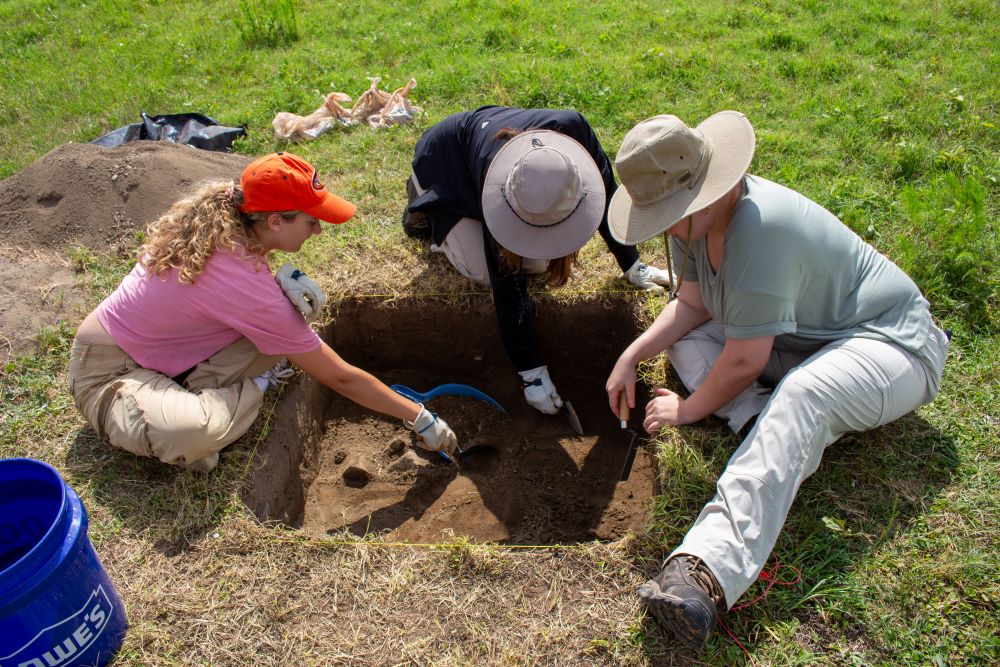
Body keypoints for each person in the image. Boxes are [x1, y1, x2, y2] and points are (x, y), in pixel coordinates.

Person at [604, 112, 949, 650]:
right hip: (800, 340)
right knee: (684, 338)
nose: (664, 226)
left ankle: (705, 571)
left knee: (805, 393)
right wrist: (630, 355)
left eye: (668, 214)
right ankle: (760, 423)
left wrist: (690, 411)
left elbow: (744, 359)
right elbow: (692, 306)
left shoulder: (760, 228)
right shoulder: (695, 226)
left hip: (890, 346)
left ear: (702, 195)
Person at [69, 152, 457, 473]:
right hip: (108, 373)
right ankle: (256, 386)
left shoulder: (231, 216)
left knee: (287, 327)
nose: (318, 231)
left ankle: (204, 389)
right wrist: (419, 417)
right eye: (311, 221)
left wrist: (278, 300)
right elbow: (340, 377)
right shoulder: (237, 277)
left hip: (162, 357)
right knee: (193, 435)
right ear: (274, 221)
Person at [403, 106, 673, 415]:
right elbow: (506, 277)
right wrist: (529, 371)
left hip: (481, 161)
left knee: (537, 264)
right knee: (483, 270)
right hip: (445, 164)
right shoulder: (498, 180)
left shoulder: (575, 131)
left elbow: (607, 194)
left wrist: (632, 264)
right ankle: (426, 209)